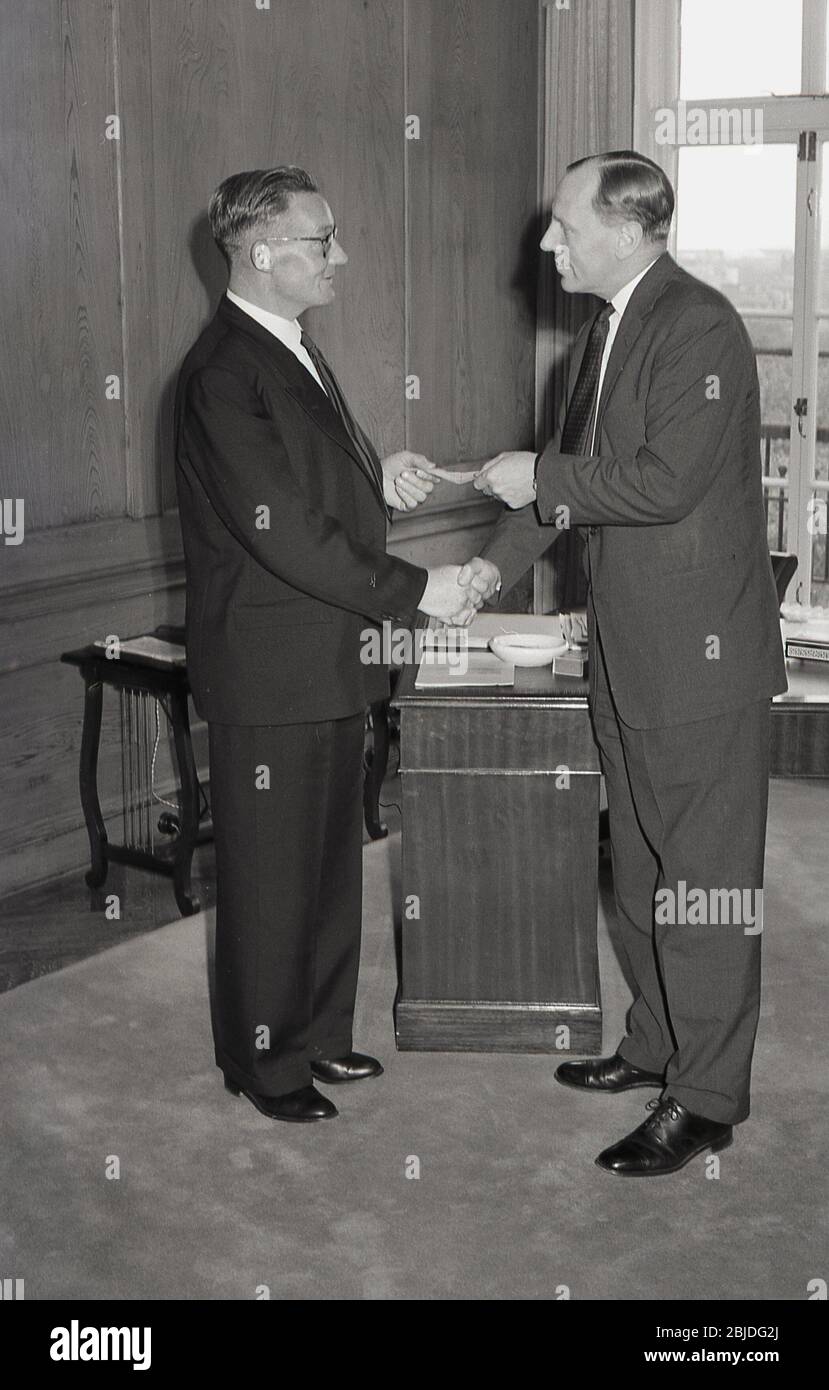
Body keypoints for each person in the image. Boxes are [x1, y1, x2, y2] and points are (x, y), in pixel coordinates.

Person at [461, 150, 787, 1176]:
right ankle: (654, 1046)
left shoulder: (700, 325)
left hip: (700, 664)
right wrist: (482, 572)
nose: (547, 242)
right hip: (627, 652)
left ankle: (706, 1097)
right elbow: (559, 497)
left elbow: (661, 483)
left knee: (704, 887)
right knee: (642, 872)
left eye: (563, 224)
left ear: (632, 228)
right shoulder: (597, 337)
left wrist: (539, 472)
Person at [174, 166, 481, 1123]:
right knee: (270, 877)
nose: (338, 254)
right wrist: (418, 588)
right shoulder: (223, 371)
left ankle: (317, 1037)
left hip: (325, 656)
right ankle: (264, 1066)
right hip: (271, 666)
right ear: (263, 254)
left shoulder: (287, 346)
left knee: (326, 864)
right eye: (322, 239)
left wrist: (373, 474)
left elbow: (302, 492)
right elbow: (281, 534)